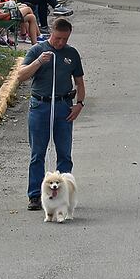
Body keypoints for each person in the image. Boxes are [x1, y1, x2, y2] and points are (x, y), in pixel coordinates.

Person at [17, 18, 86, 211]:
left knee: (64, 153)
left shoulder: (71, 54)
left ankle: (64, 193)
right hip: (41, 105)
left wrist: (79, 104)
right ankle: (36, 195)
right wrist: (39, 62)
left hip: (63, 105)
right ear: (51, 34)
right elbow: (21, 76)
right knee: (38, 152)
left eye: (65, 39)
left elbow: (79, 81)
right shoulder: (37, 50)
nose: (60, 43)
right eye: (57, 38)